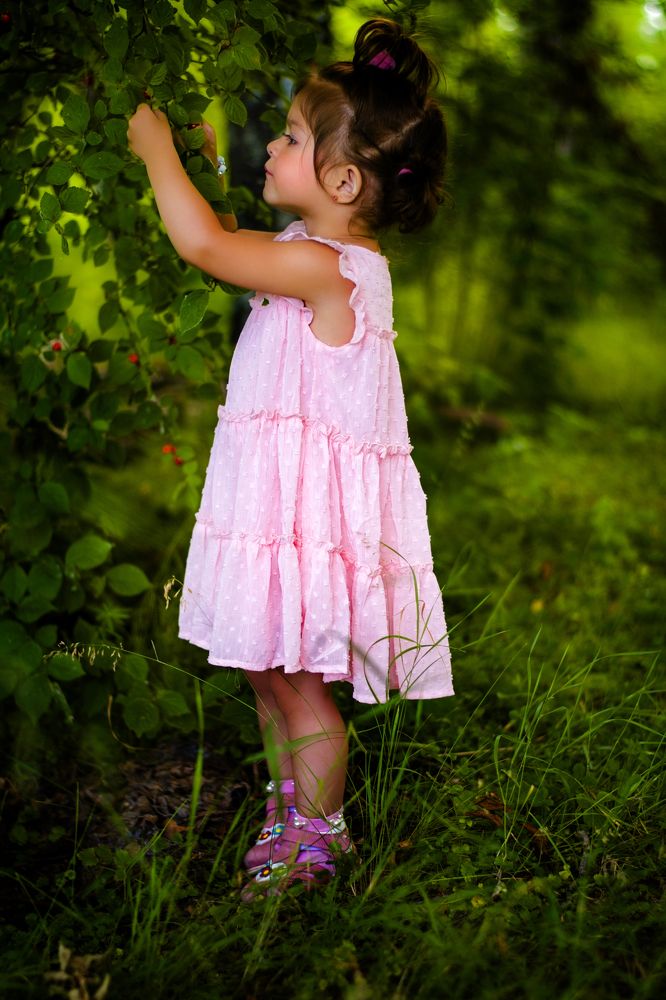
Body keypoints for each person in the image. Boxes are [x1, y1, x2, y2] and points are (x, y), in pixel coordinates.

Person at [127, 17, 454, 899]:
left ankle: (317, 838)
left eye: (293, 137)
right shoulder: (306, 256)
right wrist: (198, 168)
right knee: (268, 672)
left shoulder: (331, 269)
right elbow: (228, 235)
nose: (272, 145)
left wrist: (154, 150)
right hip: (278, 506)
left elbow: (205, 246)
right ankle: (290, 810)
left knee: (299, 683)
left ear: (343, 182)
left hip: (303, 521)